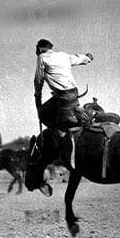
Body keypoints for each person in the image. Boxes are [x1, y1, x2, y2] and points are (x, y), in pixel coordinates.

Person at [34, 39, 93, 195]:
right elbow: (77, 58)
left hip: (63, 98)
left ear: (40, 48)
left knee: (59, 128)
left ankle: (65, 156)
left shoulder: (42, 57)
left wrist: (37, 97)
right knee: (49, 114)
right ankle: (71, 120)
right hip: (71, 94)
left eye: (37, 48)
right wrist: (87, 58)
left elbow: (38, 79)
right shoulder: (62, 55)